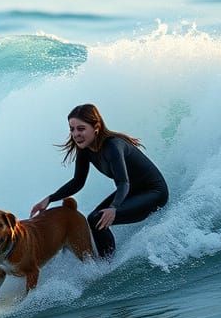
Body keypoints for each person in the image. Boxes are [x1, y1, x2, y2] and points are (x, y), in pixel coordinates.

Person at [30, 104, 168, 259]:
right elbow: (78, 181)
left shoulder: (113, 146)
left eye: (81, 129)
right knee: (94, 219)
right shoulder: (85, 149)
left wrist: (113, 208)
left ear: (96, 127)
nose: (75, 134)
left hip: (154, 192)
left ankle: (107, 264)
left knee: (96, 219)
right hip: (132, 190)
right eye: (72, 129)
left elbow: (123, 182)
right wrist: (50, 199)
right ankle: (99, 258)